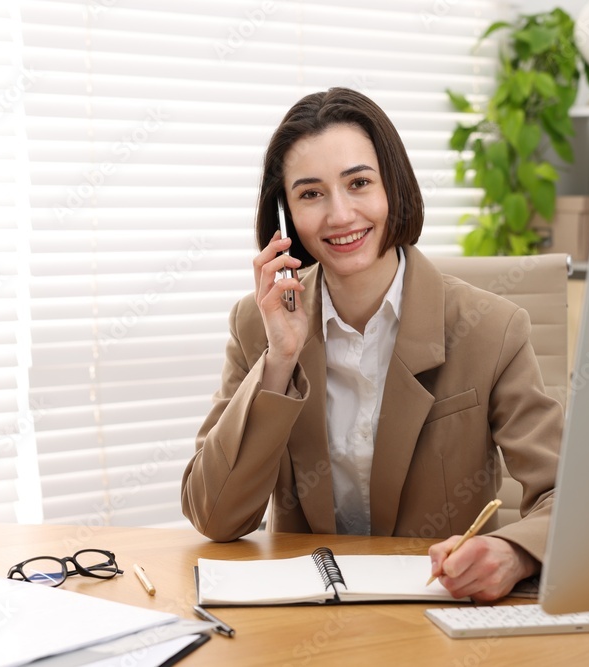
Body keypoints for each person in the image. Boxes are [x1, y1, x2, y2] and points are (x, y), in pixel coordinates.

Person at [181, 87, 562, 602]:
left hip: (437, 612)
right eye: (311, 194)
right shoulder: (258, 324)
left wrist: (515, 553)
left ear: (394, 188)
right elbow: (215, 515)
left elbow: (569, 496)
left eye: (359, 183)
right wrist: (280, 361)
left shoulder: (491, 329)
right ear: (286, 215)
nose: (339, 216)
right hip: (305, 618)